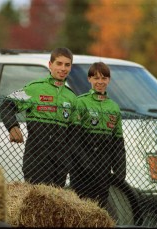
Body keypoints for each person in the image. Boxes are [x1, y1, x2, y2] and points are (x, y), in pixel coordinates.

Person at [0, 47, 77, 188]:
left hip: (60, 165)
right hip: (36, 160)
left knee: (55, 205)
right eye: (59, 63)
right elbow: (6, 105)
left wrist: (68, 161)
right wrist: (12, 126)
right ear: (50, 65)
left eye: (67, 64)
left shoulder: (72, 97)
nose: (63, 68)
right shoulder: (34, 89)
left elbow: (73, 133)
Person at [69, 62, 126, 208]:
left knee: (100, 208)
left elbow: (118, 142)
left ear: (109, 80)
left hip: (103, 168)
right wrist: (86, 164)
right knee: (80, 206)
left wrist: (120, 171)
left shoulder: (114, 107)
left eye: (104, 78)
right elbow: (73, 140)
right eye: (96, 78)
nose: (100, 82)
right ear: (89, 79)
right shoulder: (81, 102)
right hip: (81, 168)